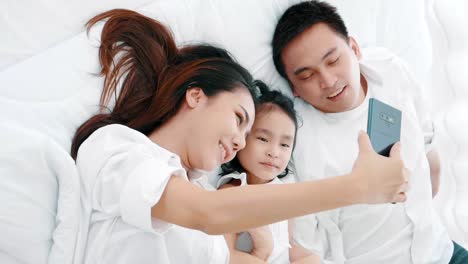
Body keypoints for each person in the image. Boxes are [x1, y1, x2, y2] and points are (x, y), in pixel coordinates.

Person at [72, 9, 409, 264]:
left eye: (247, 134)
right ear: (196, 96)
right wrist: (355, 188)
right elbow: (207, 213)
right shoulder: (116, 147)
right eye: (238, 118)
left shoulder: (201, 189)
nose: (238, 142)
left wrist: (263, 252)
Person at [272, 1, 467, 263]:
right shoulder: (298, 142)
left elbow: (424, 128)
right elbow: (306, 246)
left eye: (333, 60)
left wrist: (432, 160)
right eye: (307, 76)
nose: (328, 81)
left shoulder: (389, 69)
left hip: (441, 250)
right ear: (294, 88)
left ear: (354, 48)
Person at [216, 81, 320, 264]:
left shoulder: (284, 194)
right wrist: (262, 250)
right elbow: (226, 256)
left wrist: (310, 258)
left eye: (285, 144)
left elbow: (285, 247)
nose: (274, 152)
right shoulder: (231, 192)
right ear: (241, 137)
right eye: (263, 138)